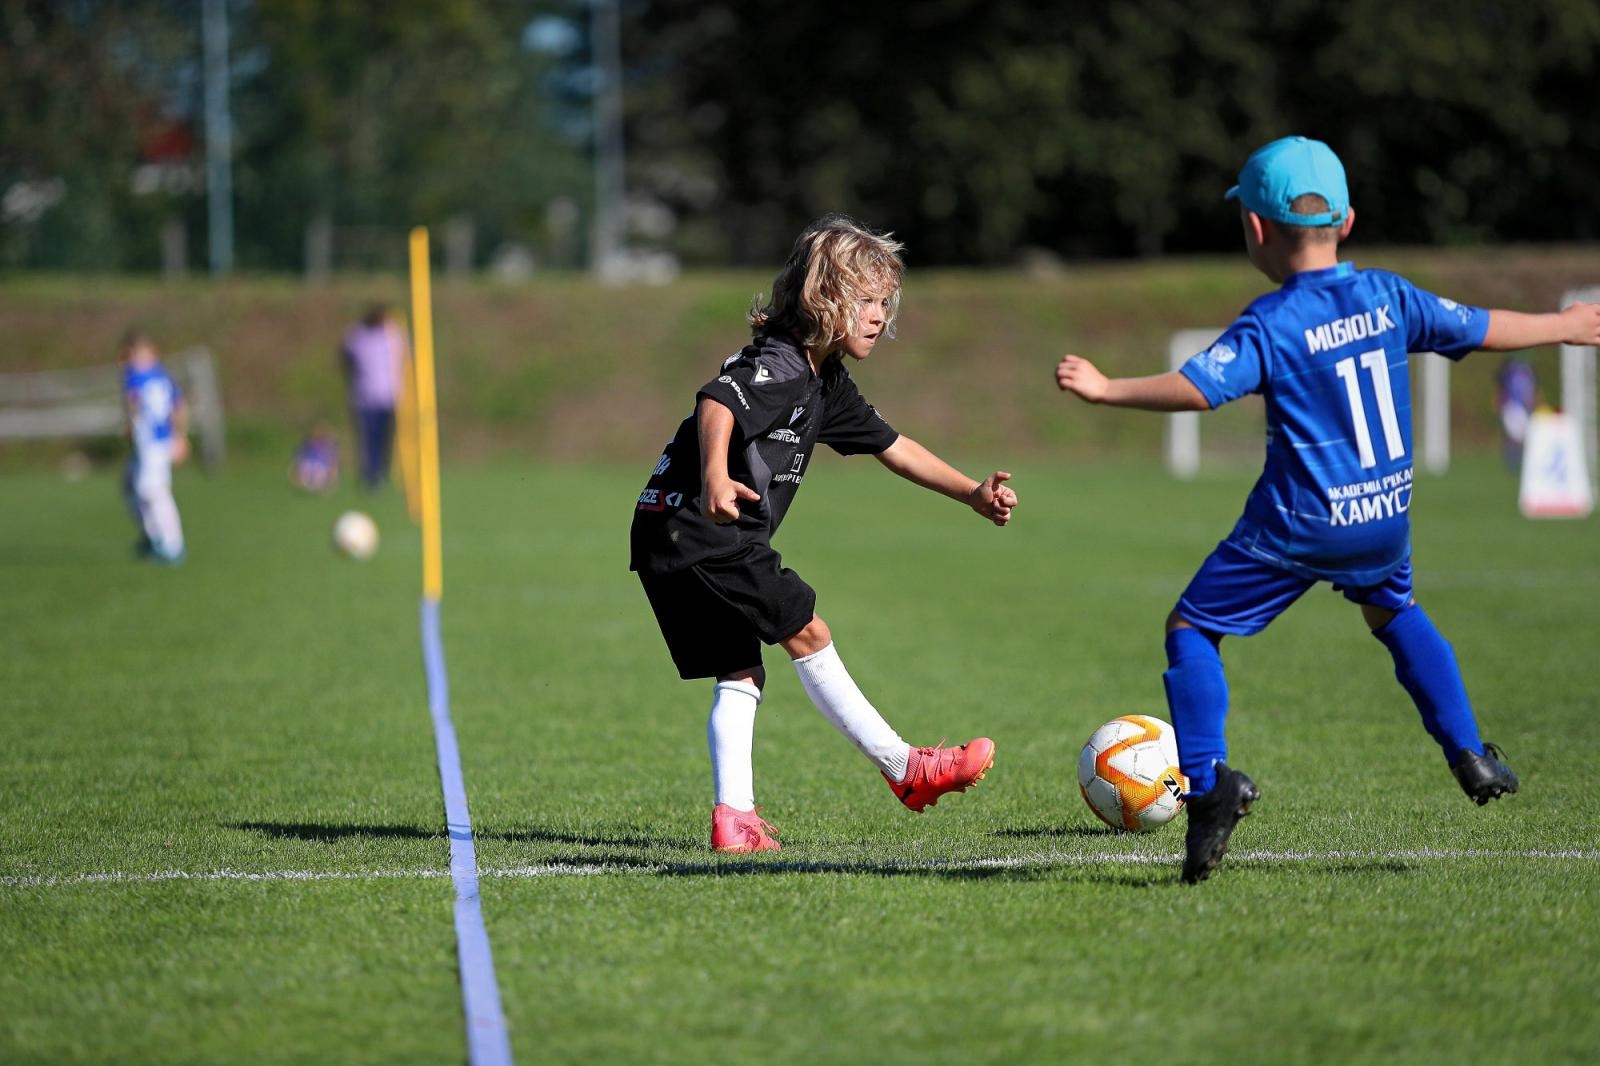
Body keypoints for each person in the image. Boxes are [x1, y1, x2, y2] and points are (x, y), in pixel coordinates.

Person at [1054, 136, 1600, 884]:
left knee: (1193, 627)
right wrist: (1564, 326)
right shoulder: (1389, 296)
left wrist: (1106, 387)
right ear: (1345, 221)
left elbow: (1201, 388)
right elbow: (1480, 327)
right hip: (1385, 515)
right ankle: (1471, 754)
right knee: (1395, 611)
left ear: (1255, 228)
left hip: (1299, 521)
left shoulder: (1273, 321)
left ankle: (1208, 788)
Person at [630, 214, 1019, 853]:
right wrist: (715, 477)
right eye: (867, 301)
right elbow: (717, 401)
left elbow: (894, 447)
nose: (879, 316)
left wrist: (970, 493)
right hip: (703, 528)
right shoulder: (781, 361)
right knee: (808, 630)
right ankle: (907, 769)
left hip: (666, 531)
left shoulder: (825, 381)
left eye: (885, 303)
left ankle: (734, 820)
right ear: (824, 298)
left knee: (740, 672)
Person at [120, 330, 188, 564]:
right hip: (149, 443)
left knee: (153, 491)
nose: (132, 358)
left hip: (154, 443)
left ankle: (172, 545)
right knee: (132, 486)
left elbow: (136, 404)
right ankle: (154, 537)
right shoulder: (159, 376)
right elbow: (177, 407)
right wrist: (179, 436)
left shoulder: (137, 376)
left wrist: (179, 437)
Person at [340, 303, 408, 489]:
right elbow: (346, 357)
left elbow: (407, 355)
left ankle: (382, 473)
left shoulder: (393, 334)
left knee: (386, 439)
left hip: (389, 396)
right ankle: (370, 476)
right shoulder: (358, 335)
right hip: (365, 398)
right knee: (368, 440)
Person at [1494, 356, 1537, 471]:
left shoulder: (1526, 372)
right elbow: (1501, 386)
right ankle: (1513, 461)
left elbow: (1531, 391)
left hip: (1521, 408)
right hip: (1512, 407)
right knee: (1514, 435)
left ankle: (1518, 460)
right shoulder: (1511, 373)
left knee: (1522, 436)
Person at [291, 423, 340, 494]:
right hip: (309, 465)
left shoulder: (328, 446)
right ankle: (308, 485)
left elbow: (333, 460)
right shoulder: (307, 444)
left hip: (320, 466)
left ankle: (317, 486)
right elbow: (298, 458)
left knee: (319, 473)